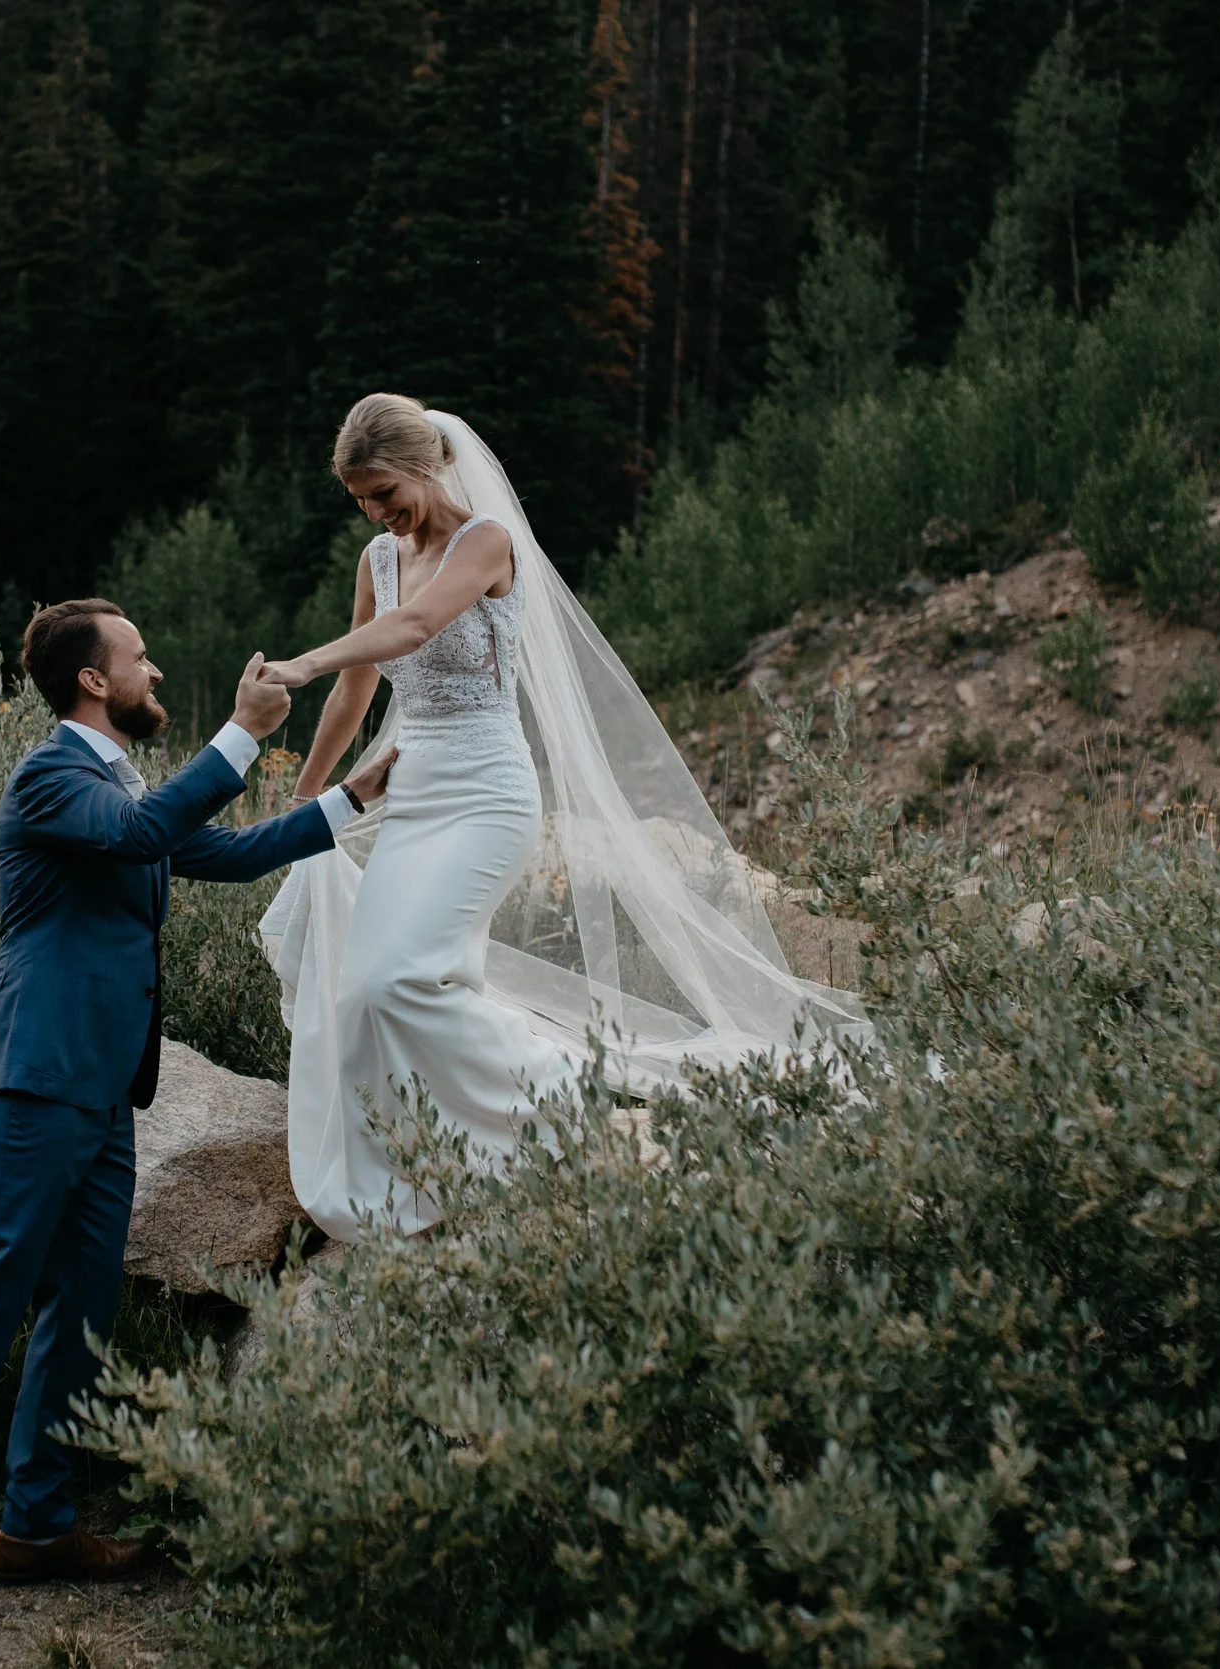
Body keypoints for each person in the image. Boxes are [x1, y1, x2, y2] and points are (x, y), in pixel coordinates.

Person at [0, 599, 397, 1653]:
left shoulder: (122, 792)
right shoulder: (54, 779)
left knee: (82, 1306)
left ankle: (35, 1521)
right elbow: (153, 833)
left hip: (104, 1093)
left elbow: (224, 854)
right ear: (94, 682)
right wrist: (243, 732)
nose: (154, 672)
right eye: (140, 659)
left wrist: (350, 797)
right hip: (33, 1080)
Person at [258, 394, 868, 1241]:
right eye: (361, 499)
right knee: (368, 987)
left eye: (384, 492)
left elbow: (417, 627)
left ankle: (556, 1094)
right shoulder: (377, 558)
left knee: (403, 977)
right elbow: (361, 688)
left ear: (427, 465)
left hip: (488, 796)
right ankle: (422, 1164)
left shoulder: (488, 543)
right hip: (412, 792)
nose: (376, 512)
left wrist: (306, 659)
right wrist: (305, 803)